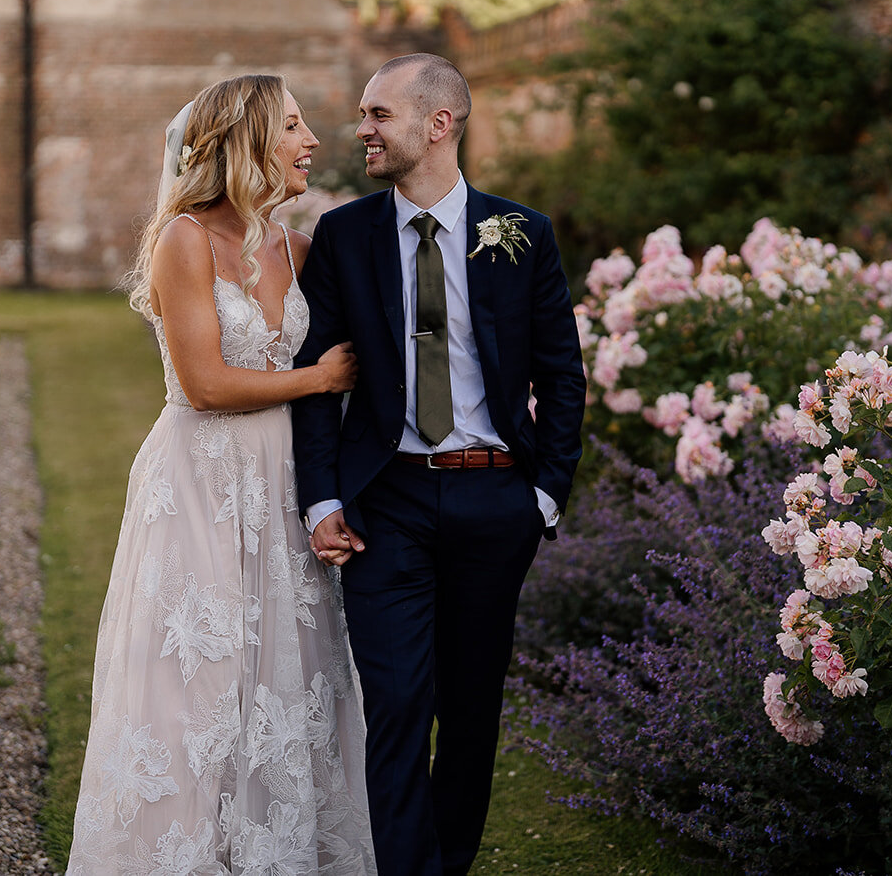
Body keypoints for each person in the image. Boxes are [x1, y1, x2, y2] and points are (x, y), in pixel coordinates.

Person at [67, 75, 378, 875]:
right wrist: (319, 379)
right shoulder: (185, 240)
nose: (312, 142)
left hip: (282, 485)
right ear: (248, 141)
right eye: (295, 127)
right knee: (196, 685)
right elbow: (205, 383)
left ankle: (273, 851)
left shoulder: (298, 249)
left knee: (287, 678)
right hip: (201, 481)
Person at [291, 53, 586, 876]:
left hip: (497, 501)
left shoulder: (520, 231)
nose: (361, 130)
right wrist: (321, 498)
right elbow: (320, 381)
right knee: (393, 710)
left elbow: (562, 373)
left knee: (470, 714)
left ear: (438, 123)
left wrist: (545, 496)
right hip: (387, 505)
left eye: (379, 114)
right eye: (364, 114)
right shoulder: (344, 236)